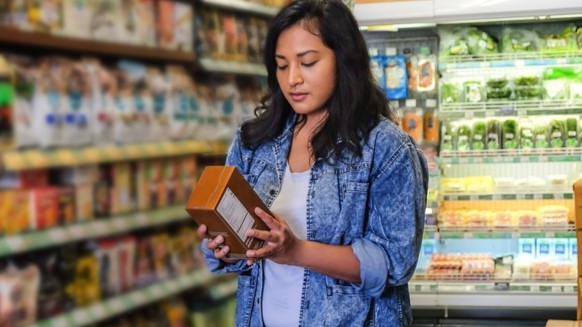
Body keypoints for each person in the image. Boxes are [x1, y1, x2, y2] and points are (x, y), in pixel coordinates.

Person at [196, 0, 428, 326]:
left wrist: (295, 251)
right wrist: (225, 245)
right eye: (281, 65)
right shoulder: (253, 142)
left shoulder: (386, 148)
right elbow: (242, 260)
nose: (292, 79)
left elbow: (393, 263)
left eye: (307, 63)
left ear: (343, 60)